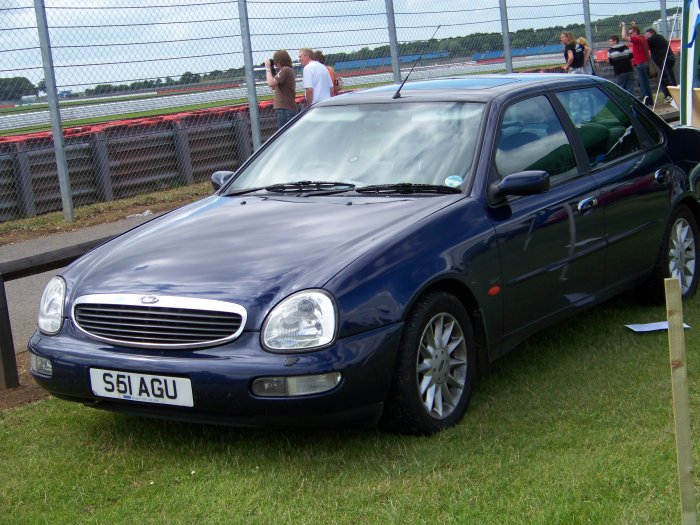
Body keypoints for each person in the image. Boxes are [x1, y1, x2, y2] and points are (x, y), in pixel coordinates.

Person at [264, 50, 298, 129]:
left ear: (279, 61)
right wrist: (272, 70)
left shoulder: (285, 70)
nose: (275, 64)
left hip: (285, 109)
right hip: (286, 108)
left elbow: (271, 83)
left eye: (275, 61)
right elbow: (274, 86)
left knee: (284, 134)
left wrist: (268, 68)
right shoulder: (287, 70)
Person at [621, 22, 653, 106]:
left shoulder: (637, 39)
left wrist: (624, 26)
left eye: (631, 33)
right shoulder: (643, 38)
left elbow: (624, 37)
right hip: (644, 62)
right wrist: (633, 25)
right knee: (645, 83)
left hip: (641, 64)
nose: (630, 35)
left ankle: (647, 101)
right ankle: (649, 100)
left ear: (635, 32)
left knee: (643, 83)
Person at [645, 27, 678, 104]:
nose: (647, 36)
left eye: (648, 34)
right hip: (667, 58)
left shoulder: (654, 38)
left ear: (652, 33)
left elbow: (645, 43)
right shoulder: (659, 37)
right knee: (667, 78)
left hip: (664, 60)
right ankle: (669, 95)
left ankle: (672, 96)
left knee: (668, 78)